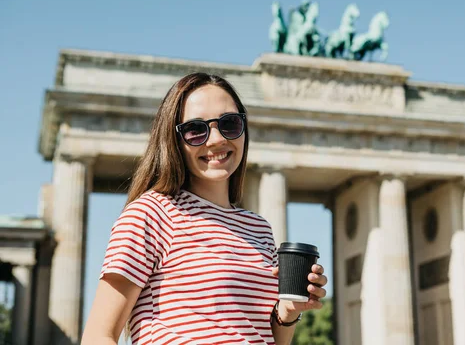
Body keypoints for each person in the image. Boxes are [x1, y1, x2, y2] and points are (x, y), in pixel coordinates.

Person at [82, 73, 328, 345]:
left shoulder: (258, 228)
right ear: (173, 139)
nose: (215, 139)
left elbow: (267, 338)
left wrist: (288, 311)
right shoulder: (150, 214)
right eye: (196, 129)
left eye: (230, 124)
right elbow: (98, 335)